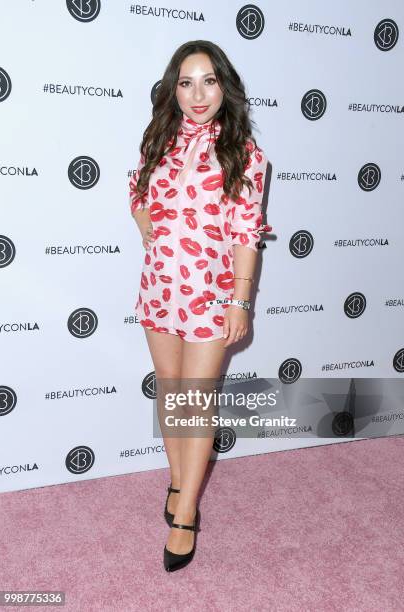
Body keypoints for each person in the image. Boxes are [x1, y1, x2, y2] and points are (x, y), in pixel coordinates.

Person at [129, 40, 272, 572]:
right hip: (158, 288)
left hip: (211, 295)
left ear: (224, 87)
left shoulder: (245, 154)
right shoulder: (159, 141)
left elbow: (246, 235)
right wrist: (150, 231)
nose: (197, 94)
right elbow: (138, 195)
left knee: (196, 400)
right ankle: (177, 478)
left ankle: (186, 510)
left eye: (208, 81)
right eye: (186, 82)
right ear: (173, 88)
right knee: (171, 395)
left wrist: (240, 300)